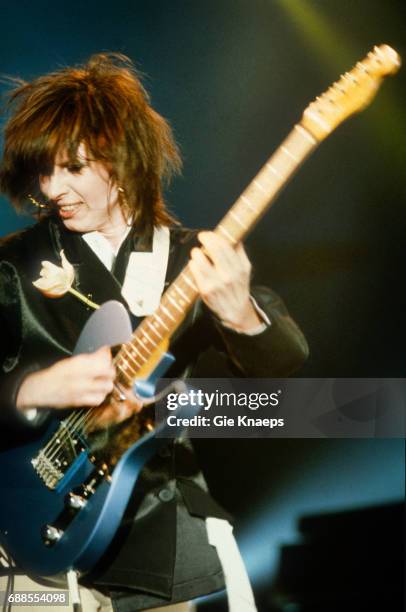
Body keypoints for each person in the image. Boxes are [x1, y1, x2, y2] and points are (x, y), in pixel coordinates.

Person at [0, 53, 308, 611]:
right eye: (42, 172)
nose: (53, 188)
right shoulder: (13, 264)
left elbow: (283, 365)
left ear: (122, 160)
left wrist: (239, 312)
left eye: (72, 168)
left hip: (156, 537)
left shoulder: (192, 258)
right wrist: (31, 390)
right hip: (32, 529)